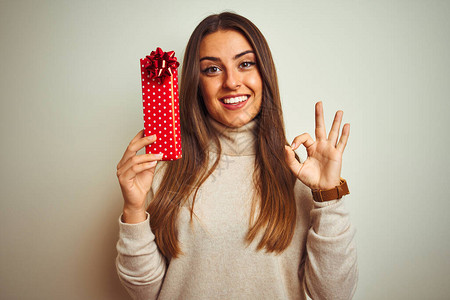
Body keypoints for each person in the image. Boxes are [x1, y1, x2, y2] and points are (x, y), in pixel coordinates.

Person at [115, 12, 358, 300]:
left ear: (264, 73)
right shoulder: (163, 172)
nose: (231, 82)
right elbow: (148, 294)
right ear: (196, 82)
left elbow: (334, 295)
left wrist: (328, 196)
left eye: (245, 64)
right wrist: (133, 210)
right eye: (212, 69)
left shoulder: (302, 174)